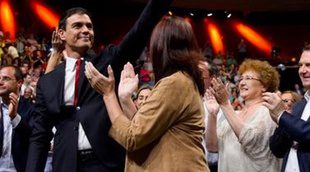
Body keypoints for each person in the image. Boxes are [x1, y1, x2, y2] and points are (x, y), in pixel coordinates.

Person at [26, 1, 173, 172]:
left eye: (89, 26)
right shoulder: (48, 81)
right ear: (62, 34)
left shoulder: (107, 61)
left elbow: (138, 33)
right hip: (65, 164)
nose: (86, 30)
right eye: (77, 26)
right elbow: (40, 136)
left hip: (106, 163)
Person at [85, 15, 209, 171]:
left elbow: (132, 137)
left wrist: (108, 94)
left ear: (160, 47)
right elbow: (144, 129)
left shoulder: (175, 83)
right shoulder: (183, 81)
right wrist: (125, 98)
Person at [206, 59, 281, 172]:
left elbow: (250, 140)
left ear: (264, 86)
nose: (242, 82)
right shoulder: (235, 114)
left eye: (248, 78)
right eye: (241, 78)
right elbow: (212, 146)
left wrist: (225, 104)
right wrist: (212, 114)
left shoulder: (268, 112)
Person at [263, 45, 310, 172]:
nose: (302, 70)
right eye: (300, 65)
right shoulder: (299, 105)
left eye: (308, 65)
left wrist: (282, 115)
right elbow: (277, 149)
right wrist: (279, 119)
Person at [0, 65, 34, 172]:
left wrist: (14, 117)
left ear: (19, 83)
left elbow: (33, 139)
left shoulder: (31, 109)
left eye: (6, 78)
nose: (0, 82)